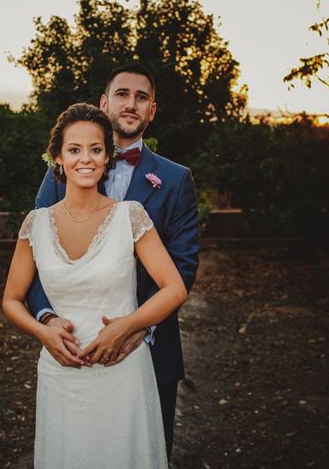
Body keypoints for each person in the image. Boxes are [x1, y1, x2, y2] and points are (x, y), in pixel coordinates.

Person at [27, 63, 200, 458]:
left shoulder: (175, 179)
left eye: (142, 97)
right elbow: (36, 255)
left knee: (140, 452)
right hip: (72, 347)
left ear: (152, 111)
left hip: (149, 351)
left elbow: (183, 266)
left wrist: (140, 326)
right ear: (104, 104)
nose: (131, 104)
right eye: (122, 94)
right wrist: (47, 319)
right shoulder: (62, 172)